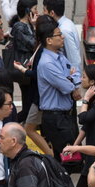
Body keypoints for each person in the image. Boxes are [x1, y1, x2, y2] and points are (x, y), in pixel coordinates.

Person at [35, 19, 78, 159]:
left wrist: (70, 79)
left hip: (65, 115)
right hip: (55, 118)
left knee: (72, 157)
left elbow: (76, 73)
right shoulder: (47, 63)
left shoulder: (59, 56)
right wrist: (70, 80)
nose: (62, 37)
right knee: (64, 158)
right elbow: (66, 86)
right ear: (49, 40)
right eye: (59, 35)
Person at [43, 0, 83, 85]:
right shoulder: (66, 23)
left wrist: (75, 83)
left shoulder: (64, 30)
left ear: (52, 13)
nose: (43, 13)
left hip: (69, 79)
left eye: (44, 10)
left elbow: (74, 58)